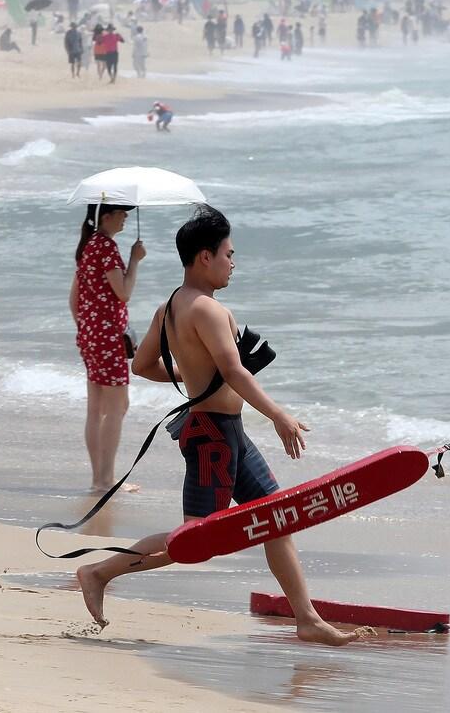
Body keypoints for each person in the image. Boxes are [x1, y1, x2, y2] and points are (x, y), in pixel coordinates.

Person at [74, 205, 369, 647]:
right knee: (195, 538)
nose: (234, 262)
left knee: (276, 519)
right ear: (204, 257)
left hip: (226, 433)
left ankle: (306, 619)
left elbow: (142, 365)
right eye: (229, 253)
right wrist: (279, 415)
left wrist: (193, 377)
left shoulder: (170, 306)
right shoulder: (209, 311)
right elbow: (233, 371)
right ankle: (99, 571)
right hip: (213, 437)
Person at [69, 204, 145, 493]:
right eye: (122, 212)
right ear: (107, 216)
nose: (126, 216)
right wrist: (135, 260)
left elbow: (74, 299)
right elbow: (123, 293)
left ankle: (98, 478)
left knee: (96, 408)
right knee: (116, 407)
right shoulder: (107, 248)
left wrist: (87, 326)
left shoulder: (88, 247)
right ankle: (105, 479)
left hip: (90, 336)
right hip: (108, 338)